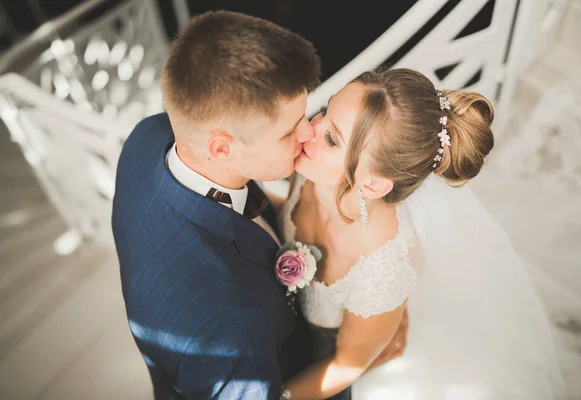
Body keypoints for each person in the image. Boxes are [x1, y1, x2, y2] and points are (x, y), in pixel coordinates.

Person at [112, 11, 406, 400]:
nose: (308, 133)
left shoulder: (149, 137)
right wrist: (359, 364)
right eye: (288, 131)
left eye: (306, 113)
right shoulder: (225, 328)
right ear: (222, 147)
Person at [278, 68, 578, 399]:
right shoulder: (311, 170)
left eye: (332, 139)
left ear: (374, 184)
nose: (307, 129)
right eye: (323, 112)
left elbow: (348, 365)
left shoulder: (381, 268)